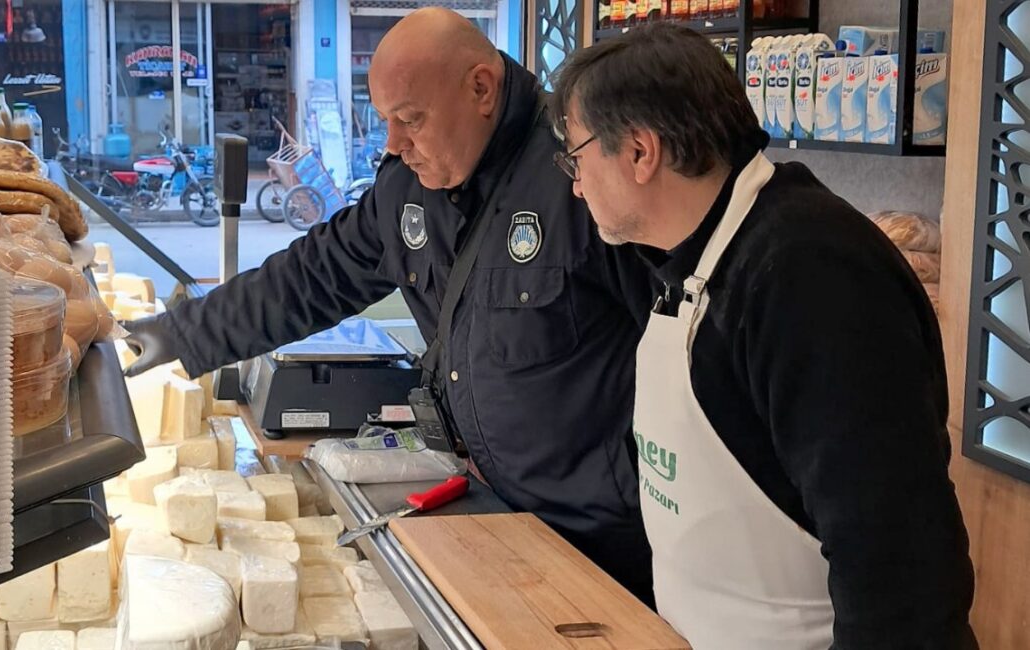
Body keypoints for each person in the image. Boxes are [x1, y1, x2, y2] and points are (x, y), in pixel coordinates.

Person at [123, 8, 656, 603]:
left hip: (604, 545)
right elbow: (312, 276)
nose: (393, 143)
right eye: (384, 120)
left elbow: (680, 348)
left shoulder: (581, 175)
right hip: (489, 509)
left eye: (410, 120)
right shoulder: (408, 185)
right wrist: (182, 334)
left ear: (481, 89)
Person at [550, 23, 976, 649]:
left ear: (640, 151)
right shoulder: (688, 261)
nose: (576, 183)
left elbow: (897, 561)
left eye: (576, 156)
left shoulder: (809, 272)